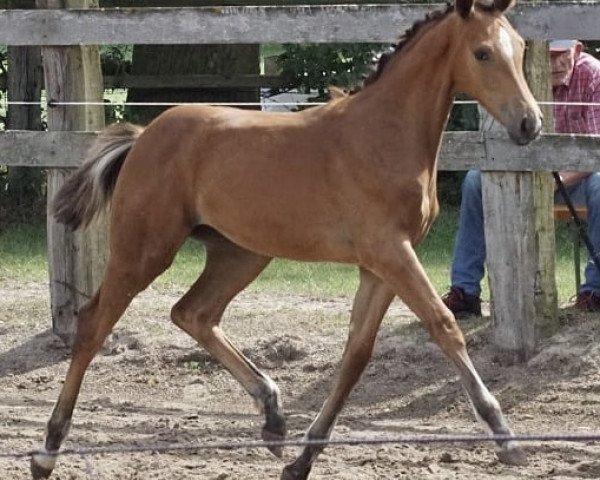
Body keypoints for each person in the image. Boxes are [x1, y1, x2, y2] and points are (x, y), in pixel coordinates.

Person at [443, 39, 600, 316]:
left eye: (561, 55)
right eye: (547, 55)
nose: (553, 63)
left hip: (579, 178)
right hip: (527, 174)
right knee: (474, 181)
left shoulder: (593, 75)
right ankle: (465, 291)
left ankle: (595, 292)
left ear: (577, 50)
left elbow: (598, 151)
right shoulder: (518, 75)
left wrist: (557, 181)